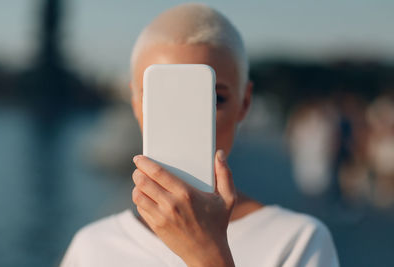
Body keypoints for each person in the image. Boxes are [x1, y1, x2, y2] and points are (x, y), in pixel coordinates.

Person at [60, 3, 339, 267]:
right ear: (135, 104)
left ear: (245, 103)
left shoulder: (298, 242)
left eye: (214, 98)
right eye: (162, 99)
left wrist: (209, 255)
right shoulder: (92, 248)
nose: (188, 119)